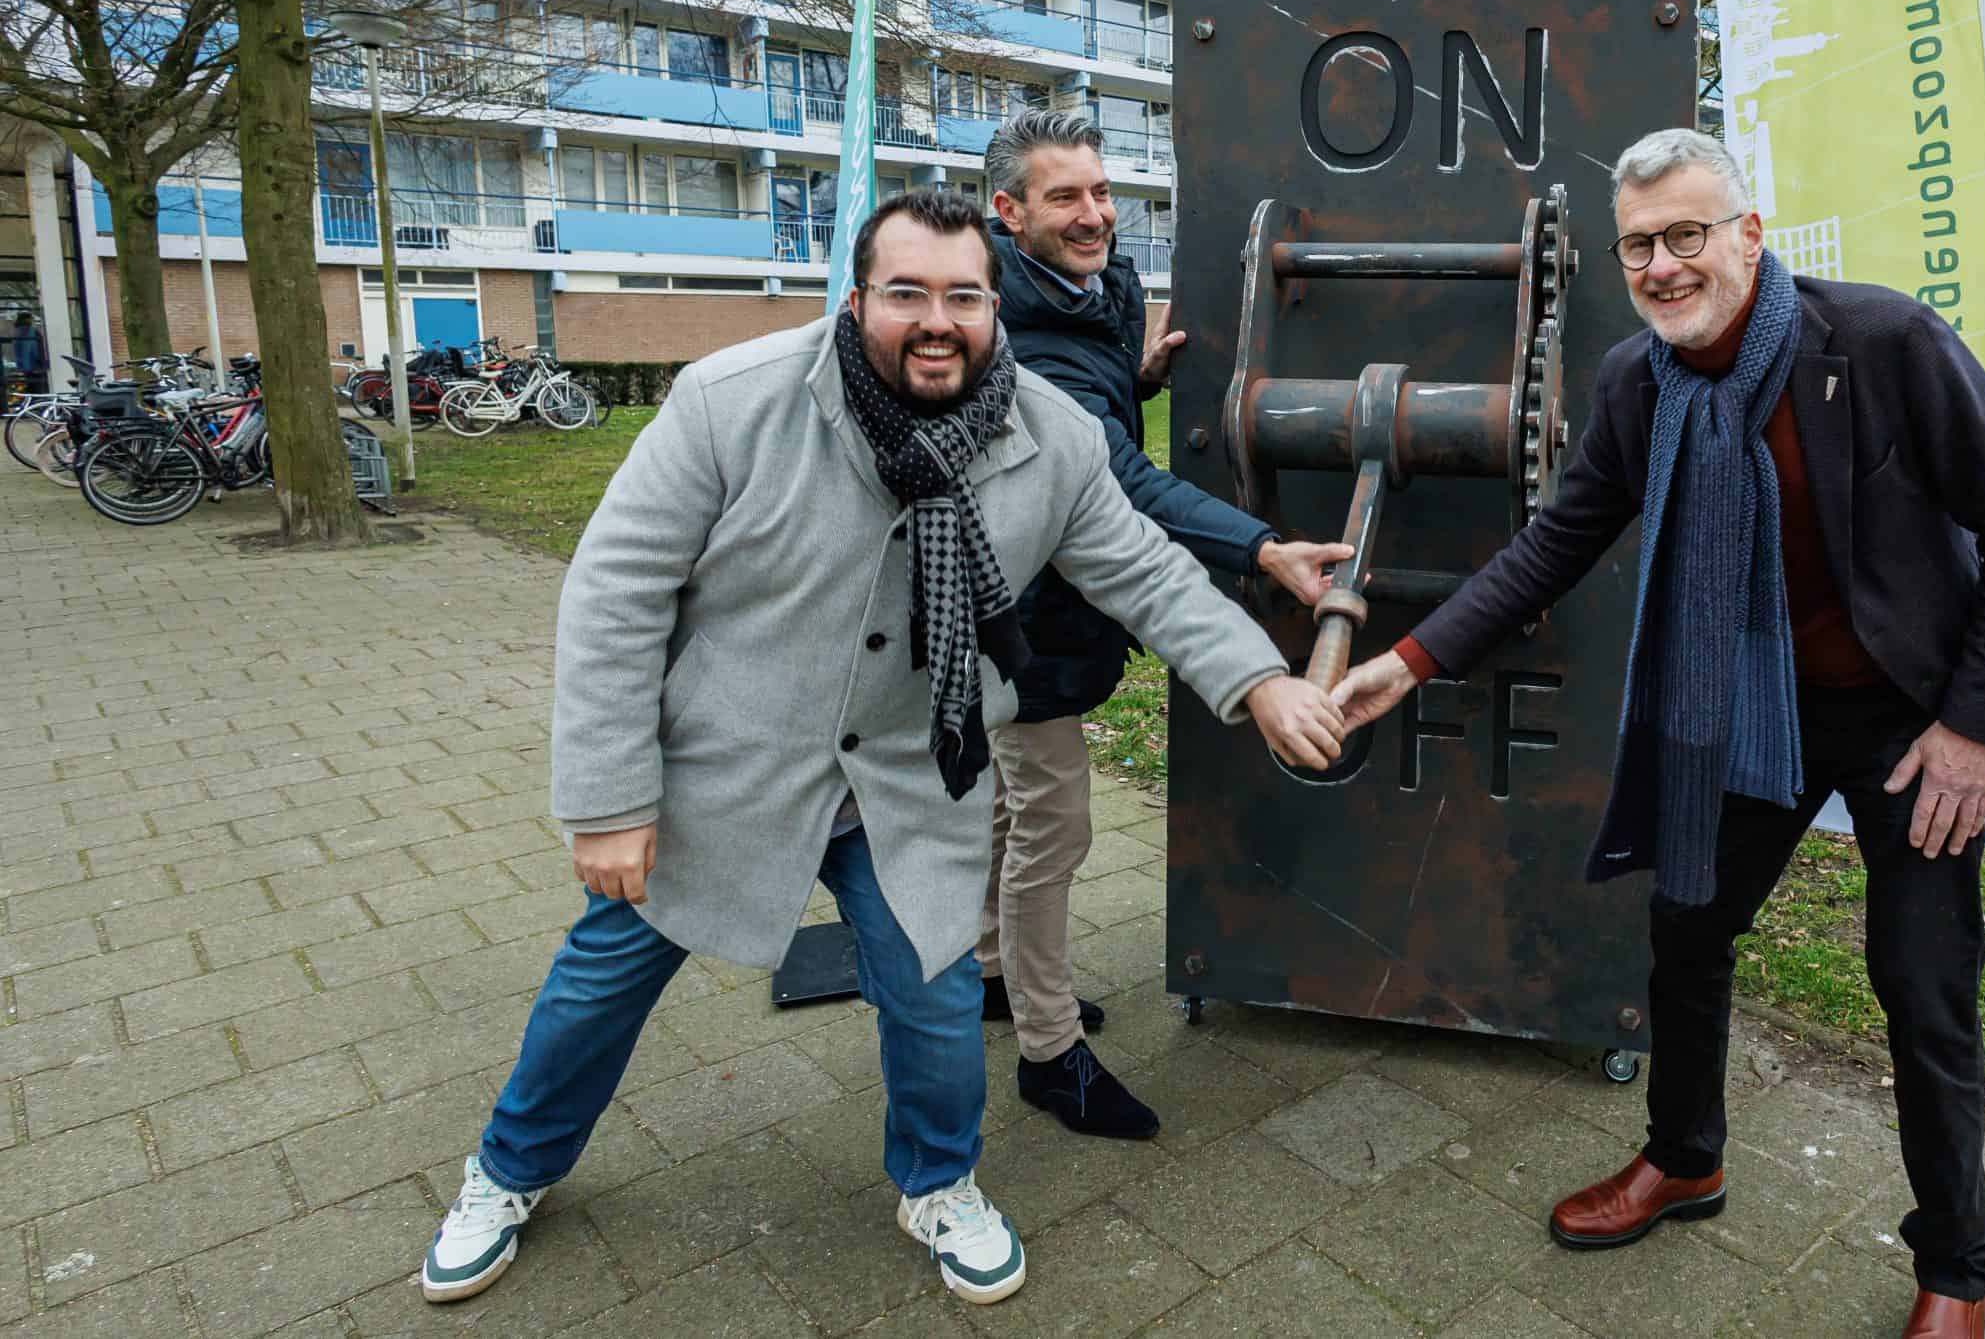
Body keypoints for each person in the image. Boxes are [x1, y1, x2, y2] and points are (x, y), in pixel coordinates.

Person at [420, 187, 1346, 1310]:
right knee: (603, 980)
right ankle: (508, 1172)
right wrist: (611, 801)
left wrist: (1255, 681)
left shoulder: (1044, 434)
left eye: (963, 295)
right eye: (907, 293)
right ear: (858, 300)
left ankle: (939, 1182)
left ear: (995, 308)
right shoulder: (732, 403)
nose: (936, 319)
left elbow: (1141, 568)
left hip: (911, 768)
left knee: (937, 996)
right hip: (727, 763)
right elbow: (616, 594)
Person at [1330, 129, 1985, 1339]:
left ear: (1748, 234)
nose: (1666, 266)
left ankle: (1956, 1269)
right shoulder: (1638, 381)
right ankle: (1685, 1159)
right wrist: (1405, 665)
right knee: (1686, 929)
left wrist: (1974, 731)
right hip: (1745, 709)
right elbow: (1553, 545)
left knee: (1921, 984)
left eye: (1687, 235)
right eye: (1640, 247)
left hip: (1909, 720)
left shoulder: (1880, 343)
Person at [977, 109, 1353, 1139]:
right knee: (1052, 826)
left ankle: (987, 973)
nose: (1095, 215)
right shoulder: (1014, 340)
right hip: (1020, 621)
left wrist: (1132, 378)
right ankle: (1049, 1054)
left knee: (1012, 807)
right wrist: (1262, 546)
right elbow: (1114, 482)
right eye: (1065, 198)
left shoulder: (1086, 291)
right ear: (1008, 214)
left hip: (1040, 613)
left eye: (1101, 191)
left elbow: (1093, 403)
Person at [6, 311, 42, 402]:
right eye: (31, 318)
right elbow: (29, 349)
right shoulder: (28, 331)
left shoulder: (16, 331)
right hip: (33, 366)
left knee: (31, 389)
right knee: (37, 391)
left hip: (26, 366)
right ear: (27, 319)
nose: (32, 320)